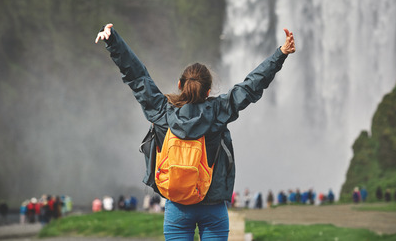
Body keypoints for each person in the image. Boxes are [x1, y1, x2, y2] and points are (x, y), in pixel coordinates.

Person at [95, 23, 296, 241]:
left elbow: (138, 78)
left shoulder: (162, 112)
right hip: (213, 207)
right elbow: (250, 86)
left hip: (177, 207)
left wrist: (113, 41)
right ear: (209, 91)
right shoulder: (219, 111)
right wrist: (281, 53)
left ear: (180, 85)